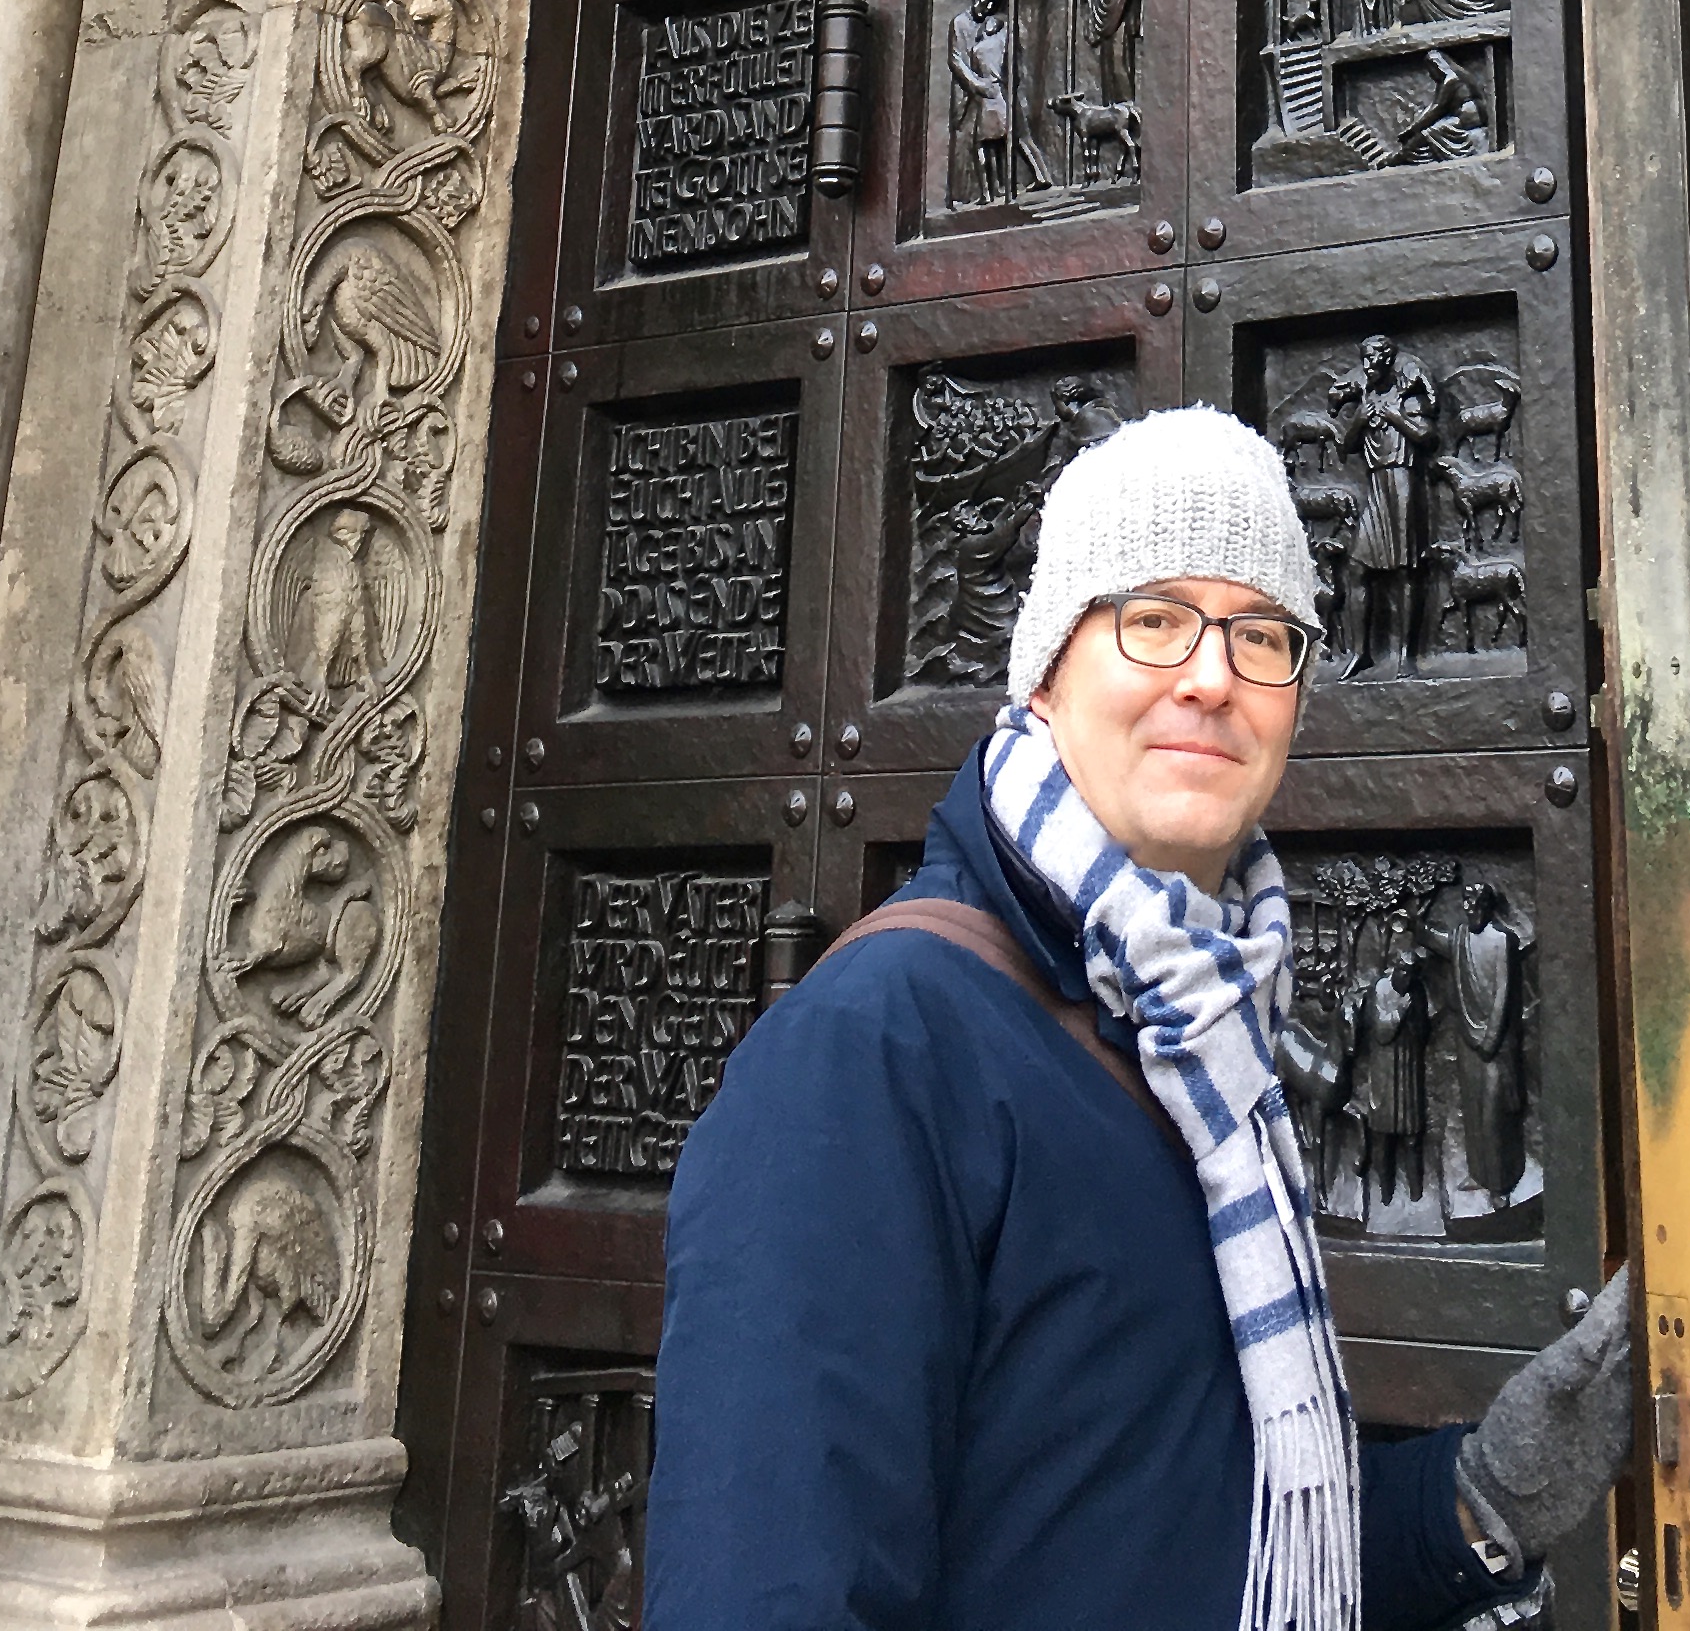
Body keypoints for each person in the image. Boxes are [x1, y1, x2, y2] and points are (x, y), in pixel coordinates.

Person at [647, 408, 1633, 1629]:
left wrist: (1481, 1499)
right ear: (1046, 670)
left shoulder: (1208, 1047)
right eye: (1154, 618)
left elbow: (1181, 1540)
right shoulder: (874, 1055)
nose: (1211, 678)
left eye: (1261, 634)